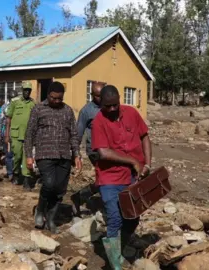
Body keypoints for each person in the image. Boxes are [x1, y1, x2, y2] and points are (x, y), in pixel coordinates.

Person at [91, 85, 151, 269]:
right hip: (109, 178)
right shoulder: (98, 121)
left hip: (132, 178)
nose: (111, 109)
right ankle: (115, 263)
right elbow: (103, 152)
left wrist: (147, 163)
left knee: (133, 217)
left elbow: (144, 136)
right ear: (101, 103)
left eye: (114, 105)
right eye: (107, 106)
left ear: (119, 100)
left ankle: (119, 248)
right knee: (115, 217)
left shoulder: (132, 113)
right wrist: (133, 161)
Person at [25, 81, 82, 233]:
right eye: (53, 98)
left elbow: (74, 134)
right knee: (49, 184)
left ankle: (51, 218)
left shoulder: (68, 111)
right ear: (48, 95)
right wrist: (29, 156)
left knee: (60, 190)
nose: (56, 101)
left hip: (64, 155)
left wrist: (76, 154)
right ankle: (40, 210)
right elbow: (29, 133)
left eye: (59, 99)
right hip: (45, 154)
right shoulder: (38, 109)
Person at [71, 82, 105, 217]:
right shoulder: (86, 111)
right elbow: (78, 134)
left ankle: (80, 197)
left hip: (110, 150)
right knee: (105, 178)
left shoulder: (109, 107)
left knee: (107, 179)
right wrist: (76, 154)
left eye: (102, 95)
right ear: (92, 95)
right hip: (95, 151)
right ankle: (80, 198)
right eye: (97, 96)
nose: (101, 99)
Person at [5, 81, 36, 189]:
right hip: (16, 134)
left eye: (29, 90)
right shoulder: (15, 102)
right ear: (22, 90)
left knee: (26, 156)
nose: (27, 92)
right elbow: (8, 118)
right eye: (25, 90)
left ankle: (26, 179)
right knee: (17, 156)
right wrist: (7, 135)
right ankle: (16, 173)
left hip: (28, 134)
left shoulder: (33, 104)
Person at [0, 93, 16, 181]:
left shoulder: (19, 105)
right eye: (12, 97)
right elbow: (0, 121)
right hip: (7, 134)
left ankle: (17, 172)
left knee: (17, 155)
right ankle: (10, 173)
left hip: (18, 134)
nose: (13, 99)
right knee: (9, 155)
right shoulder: (4, 107)